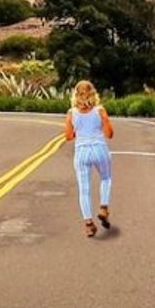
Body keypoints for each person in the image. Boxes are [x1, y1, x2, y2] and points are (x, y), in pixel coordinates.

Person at [63, 79, 114, 238]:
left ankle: (89, 224)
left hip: (82, 151)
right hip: (99, 148)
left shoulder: (71, 113)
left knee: (84, 190)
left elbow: (68, 136)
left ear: (75, 95)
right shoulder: (100, 111)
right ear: (93, 93)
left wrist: (80, 131)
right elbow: (109, 134)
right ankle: (104, 208)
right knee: (105, 178)